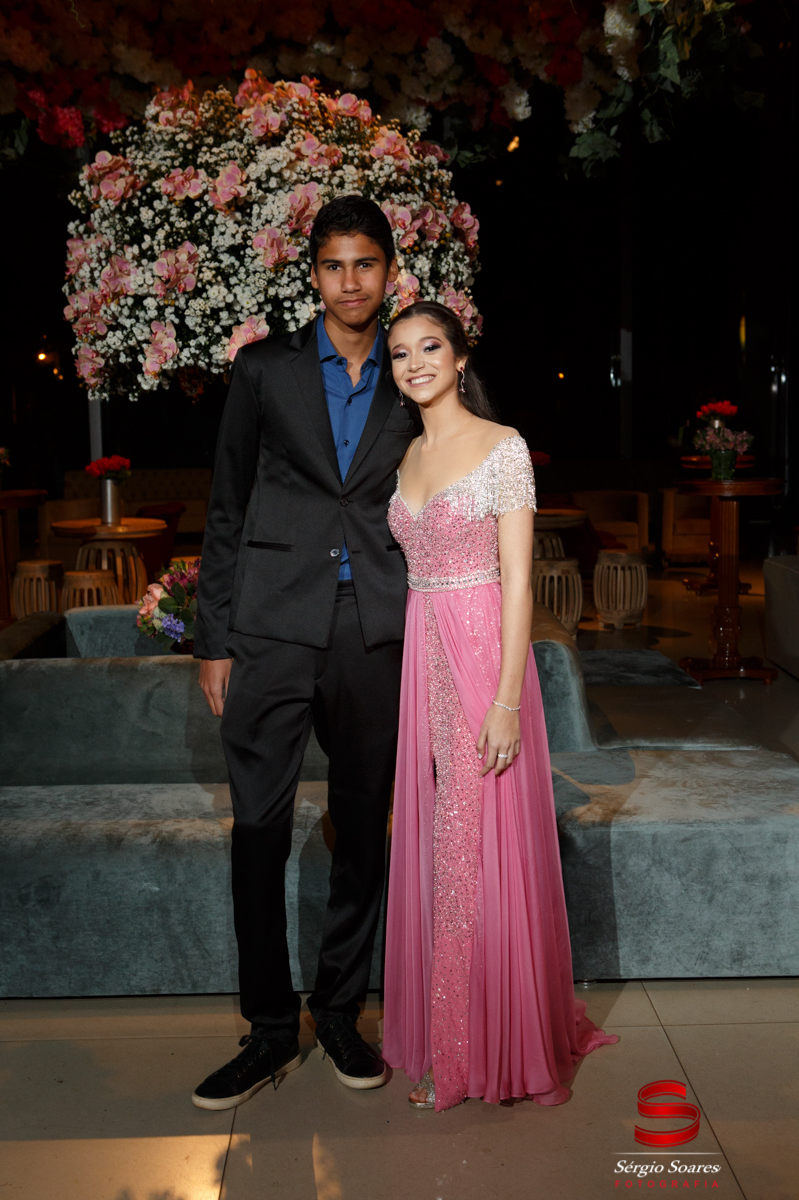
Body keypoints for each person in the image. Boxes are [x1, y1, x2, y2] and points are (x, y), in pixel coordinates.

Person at [191, 196, 418, 1110]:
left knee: (362, 828)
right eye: (333, 265)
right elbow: (227, 505)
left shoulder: (413, 370)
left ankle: (340, 1012)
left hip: (374, 629)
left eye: (366, 264)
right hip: (270, 627)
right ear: (313, 273)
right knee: (258, 827)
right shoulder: (263, 369)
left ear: (390, 272)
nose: (350, 282)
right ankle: (268, 1028)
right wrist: (214, 639)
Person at [382, 300, 618, 1112]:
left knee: (470, 843)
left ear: (459, 357)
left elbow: (520, 581)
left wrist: (509, 700)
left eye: (430, 347)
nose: (416, 363)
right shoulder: (408, 454)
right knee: (439, 841)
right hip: (423, 652)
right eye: (401, 353)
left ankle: (470, 1052)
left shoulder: (502, 446)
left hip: (482, 652)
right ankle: (452, 1032)